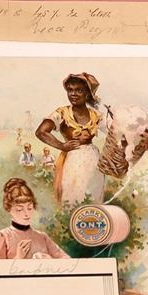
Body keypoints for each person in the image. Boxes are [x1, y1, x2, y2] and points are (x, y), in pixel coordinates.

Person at [36, 73, 106, 205]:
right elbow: (41, 132)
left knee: (93, 196)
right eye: (70, 90)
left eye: (79, 90)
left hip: (93, 161)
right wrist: (62, 146)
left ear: (88, 93)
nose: (73, 94)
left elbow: (114, 132)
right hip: (72, 161)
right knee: (72, 196)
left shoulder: (96, 115)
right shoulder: (62, 113)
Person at [0, 177, 67, 261]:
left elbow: (67, 259)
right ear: (9, 209)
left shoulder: (42, 237)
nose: (26, 213)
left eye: (29, 208)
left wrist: (49, 259)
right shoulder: (2, 236)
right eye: (19, 209)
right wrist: (18, 258)